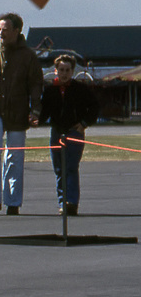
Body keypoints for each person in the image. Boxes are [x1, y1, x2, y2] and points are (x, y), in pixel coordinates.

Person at [0, 12, 41, 215]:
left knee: (15, 156)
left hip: (18, 112)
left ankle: (13, 201)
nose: (1, 33)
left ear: (16, 31)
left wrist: (35, 109)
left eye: (5, 29)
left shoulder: (28, 56)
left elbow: (36, 84)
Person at [42, 54, 100, 216]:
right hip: (56, 132)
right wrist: (33, 119)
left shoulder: (80, 89)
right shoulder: (50, 91)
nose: (64, 73)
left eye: (68, 70)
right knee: (59, 169)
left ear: (72, 71)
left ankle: (72, 202)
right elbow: (44, 112)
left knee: (71, 167)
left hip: (74, 132)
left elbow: (94, 107)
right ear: (56, 71)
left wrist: (84, 124)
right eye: (61, 70)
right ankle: (62, 202)